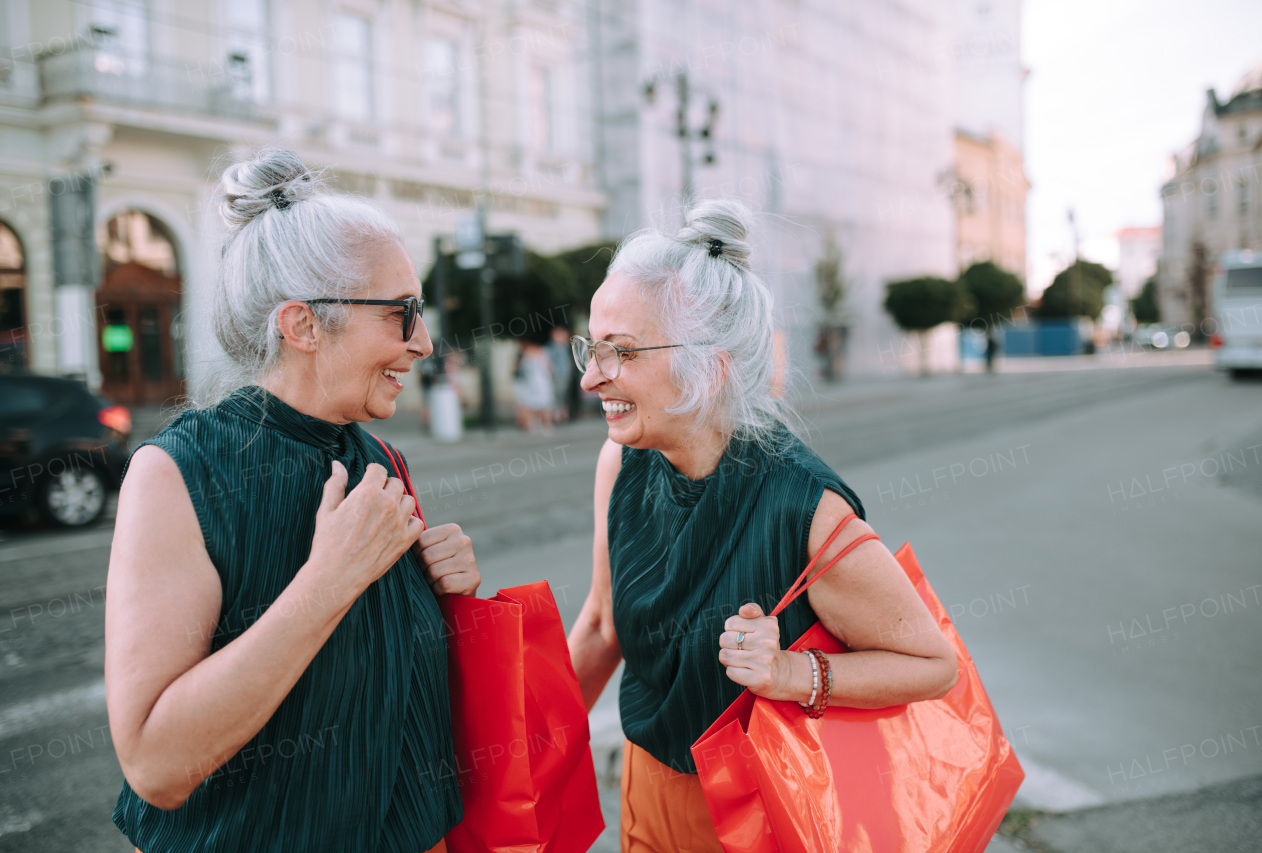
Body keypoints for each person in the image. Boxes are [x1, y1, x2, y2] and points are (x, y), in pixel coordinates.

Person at [104, 148, 480, 853]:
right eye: (402, 313)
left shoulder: (376, 457)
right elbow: (155, 763)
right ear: (303, 325)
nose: (425, 343)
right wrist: (330, 581)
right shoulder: (176, 473)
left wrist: (439, 593)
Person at [566, 199, 959, 851]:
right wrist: (513, 762)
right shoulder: (621, 461)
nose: (589, 377)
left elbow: (933, 664)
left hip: (754, 815)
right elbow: (604, 624)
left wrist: (791, 674)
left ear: (710, 367)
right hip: (646, 796)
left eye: (622, 352)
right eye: (593, 346)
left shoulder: (805, 510)